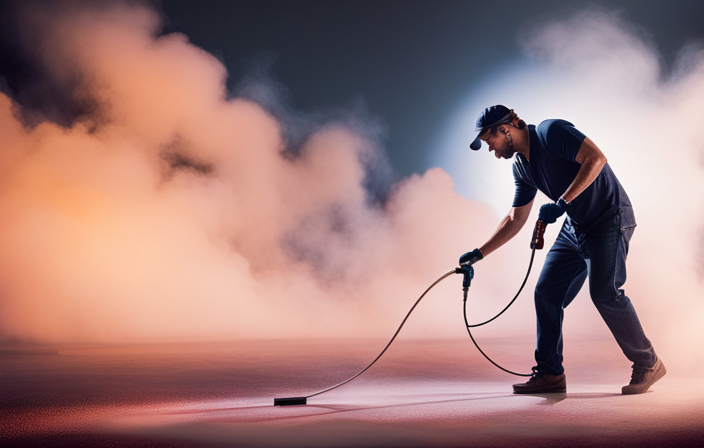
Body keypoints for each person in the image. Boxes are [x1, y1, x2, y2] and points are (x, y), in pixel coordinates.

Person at [460, 105, 665, 395]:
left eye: (488, 140)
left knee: (605, 293)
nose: (489, 149)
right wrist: (479, 253)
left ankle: (649, 362)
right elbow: (515, 218)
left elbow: (596, 158)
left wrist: (562, 202)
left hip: (609, 217)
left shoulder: (550, 131)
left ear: (505, 129)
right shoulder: (521, 167)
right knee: (547, 293)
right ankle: (550, 373)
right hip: (576, 226)